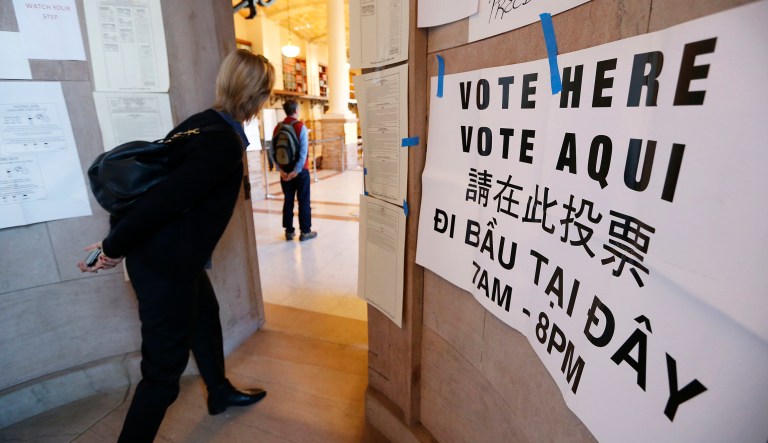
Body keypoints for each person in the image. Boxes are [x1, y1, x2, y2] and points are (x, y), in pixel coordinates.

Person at [77, 49, 275, 443]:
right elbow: (161, 200)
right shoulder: (220, 142)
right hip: (165, 266)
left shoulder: (202, 124)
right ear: (260, 95)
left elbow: (158, 189)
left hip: (173, 259)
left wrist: (117, 241)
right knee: (163, 373)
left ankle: (218, 392)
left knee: (205, 316)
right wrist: (112, 247)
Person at [271, 99, 317, 241]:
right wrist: (297, 170)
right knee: (303, 200)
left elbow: (272, 151)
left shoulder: (277, 128)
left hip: (285, 172)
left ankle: (289, 232)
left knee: (288, 200)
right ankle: (305, 232)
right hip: (301, 172)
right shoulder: (300, 127)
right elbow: (303, 152)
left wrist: (281, 170)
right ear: (296, 110)